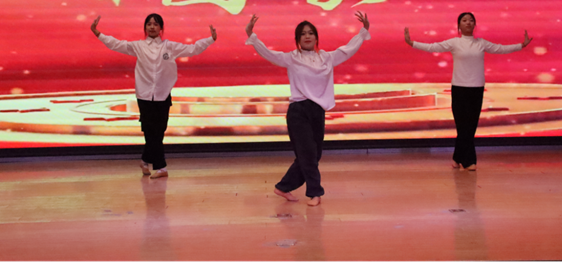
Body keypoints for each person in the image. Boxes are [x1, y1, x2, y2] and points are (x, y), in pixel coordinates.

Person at [245, 12, 371, 206]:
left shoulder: (327, 58)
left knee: (313, 154)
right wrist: (252, 36)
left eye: (311, 33)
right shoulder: (291, 58)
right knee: (308, 154)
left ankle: (283, 187)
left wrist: (363, 32)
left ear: (316, 37)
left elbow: (348, 49)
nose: (307, 36)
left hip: (317, 111)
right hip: (298, 111)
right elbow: (268, 53)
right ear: (297, 39)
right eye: (303, 34)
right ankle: (315, 193)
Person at [91, 13, 217, 179]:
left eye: (155, 24)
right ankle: (161, 167)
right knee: (151, 132)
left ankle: (145, 160)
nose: (152, 27)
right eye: (149, 24)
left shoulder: (169, 47)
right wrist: (97, 33)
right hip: (144, 95)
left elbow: (192, 49)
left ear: (161, 29)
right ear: (145, 28)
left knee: (159, 132)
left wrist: (210, 39)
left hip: (163, 94)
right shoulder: (138, 46)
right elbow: (116, 44)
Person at [404, 12, 532, 171]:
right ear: (459, 26)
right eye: (464, 21)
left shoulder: (481, 43)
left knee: (470, 126)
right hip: (459, 88)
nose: (468, 23)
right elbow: (433, 47)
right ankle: (469, 161)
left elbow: (500, 49)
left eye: (471, 21)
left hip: (476, 88)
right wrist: (412, 43)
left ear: (474, 25)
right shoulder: (454, 43)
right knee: (462, 126)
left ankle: (457, 157)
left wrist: (521, 45)